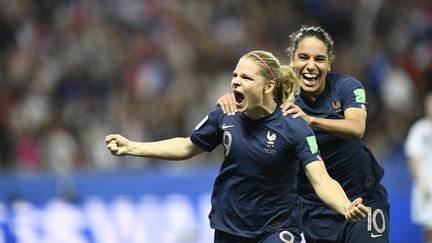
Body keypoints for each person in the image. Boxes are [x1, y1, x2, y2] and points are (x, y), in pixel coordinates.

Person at [106, 50, 367, 243]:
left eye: (245, 77)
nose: (235, 82)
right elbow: (187, 146)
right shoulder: (225, 115)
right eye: (234, 75)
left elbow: (321, 180)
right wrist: (132, 147)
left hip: (276, 228)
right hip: (230, 227)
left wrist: (344, 206)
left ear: (269, 86)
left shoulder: (294, 127)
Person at [217, 26, 389, 243]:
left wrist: (311, 120)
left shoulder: (347, 87)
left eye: (319, 59)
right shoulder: (279, 98)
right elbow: (248, 96)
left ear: (329, 63)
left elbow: (357, 128)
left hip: (362, 198)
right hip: (312, 208)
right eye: (303, 57)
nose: (311, 66)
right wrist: (231, 98)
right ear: (292, 60)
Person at [404, 92, 432, 243]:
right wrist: (423, 183)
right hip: (426, 188)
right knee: (429, 230)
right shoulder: (419, 130)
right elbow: (413, 158)